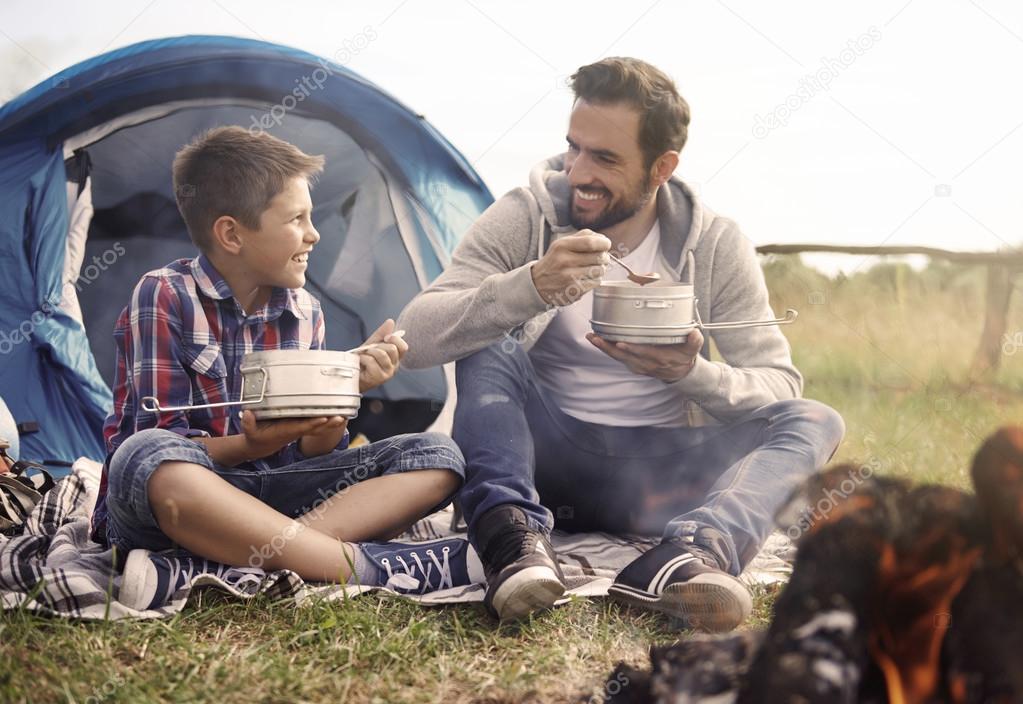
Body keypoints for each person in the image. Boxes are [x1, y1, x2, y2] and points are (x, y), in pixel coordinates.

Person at [397, 58, 845, 629]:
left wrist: (690, 374)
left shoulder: (715, 245)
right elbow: (417, 335)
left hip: (662, 480)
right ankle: (512, 540)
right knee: (491, 343)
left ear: (662, 166)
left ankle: (691, 557)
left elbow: (778, 384)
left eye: (604, 158)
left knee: (815, 419)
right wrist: (528, 286)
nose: (578, 172)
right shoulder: (525, 217)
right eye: (573, 148)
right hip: (542, 462)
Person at [90, 127, 482, 611]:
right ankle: (367, 567)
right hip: (184, 501)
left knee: (437, 456)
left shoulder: (306, 310)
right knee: (145, 457)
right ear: (231, 233)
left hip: (274, 499)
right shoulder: (164, 294)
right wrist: (253, 445)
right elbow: (158, 438)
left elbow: (314, 456)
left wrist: (339, 397)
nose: (314, 234)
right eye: (297, 219)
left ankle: (214, 569)